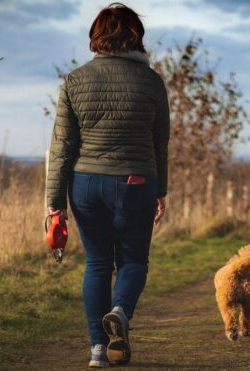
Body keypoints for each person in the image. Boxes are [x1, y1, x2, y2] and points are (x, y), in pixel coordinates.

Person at [45, 3, 169, 368]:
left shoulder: (74, 80)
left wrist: (54, 203)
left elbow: (62, 146)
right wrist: (160, 190)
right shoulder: (151, 81)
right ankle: (120, 312)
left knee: (97, 264)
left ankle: (99, 349)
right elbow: (159, 141)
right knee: (133, 260)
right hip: (136, 181)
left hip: (85, 184)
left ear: (97, 37)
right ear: (136, 38)